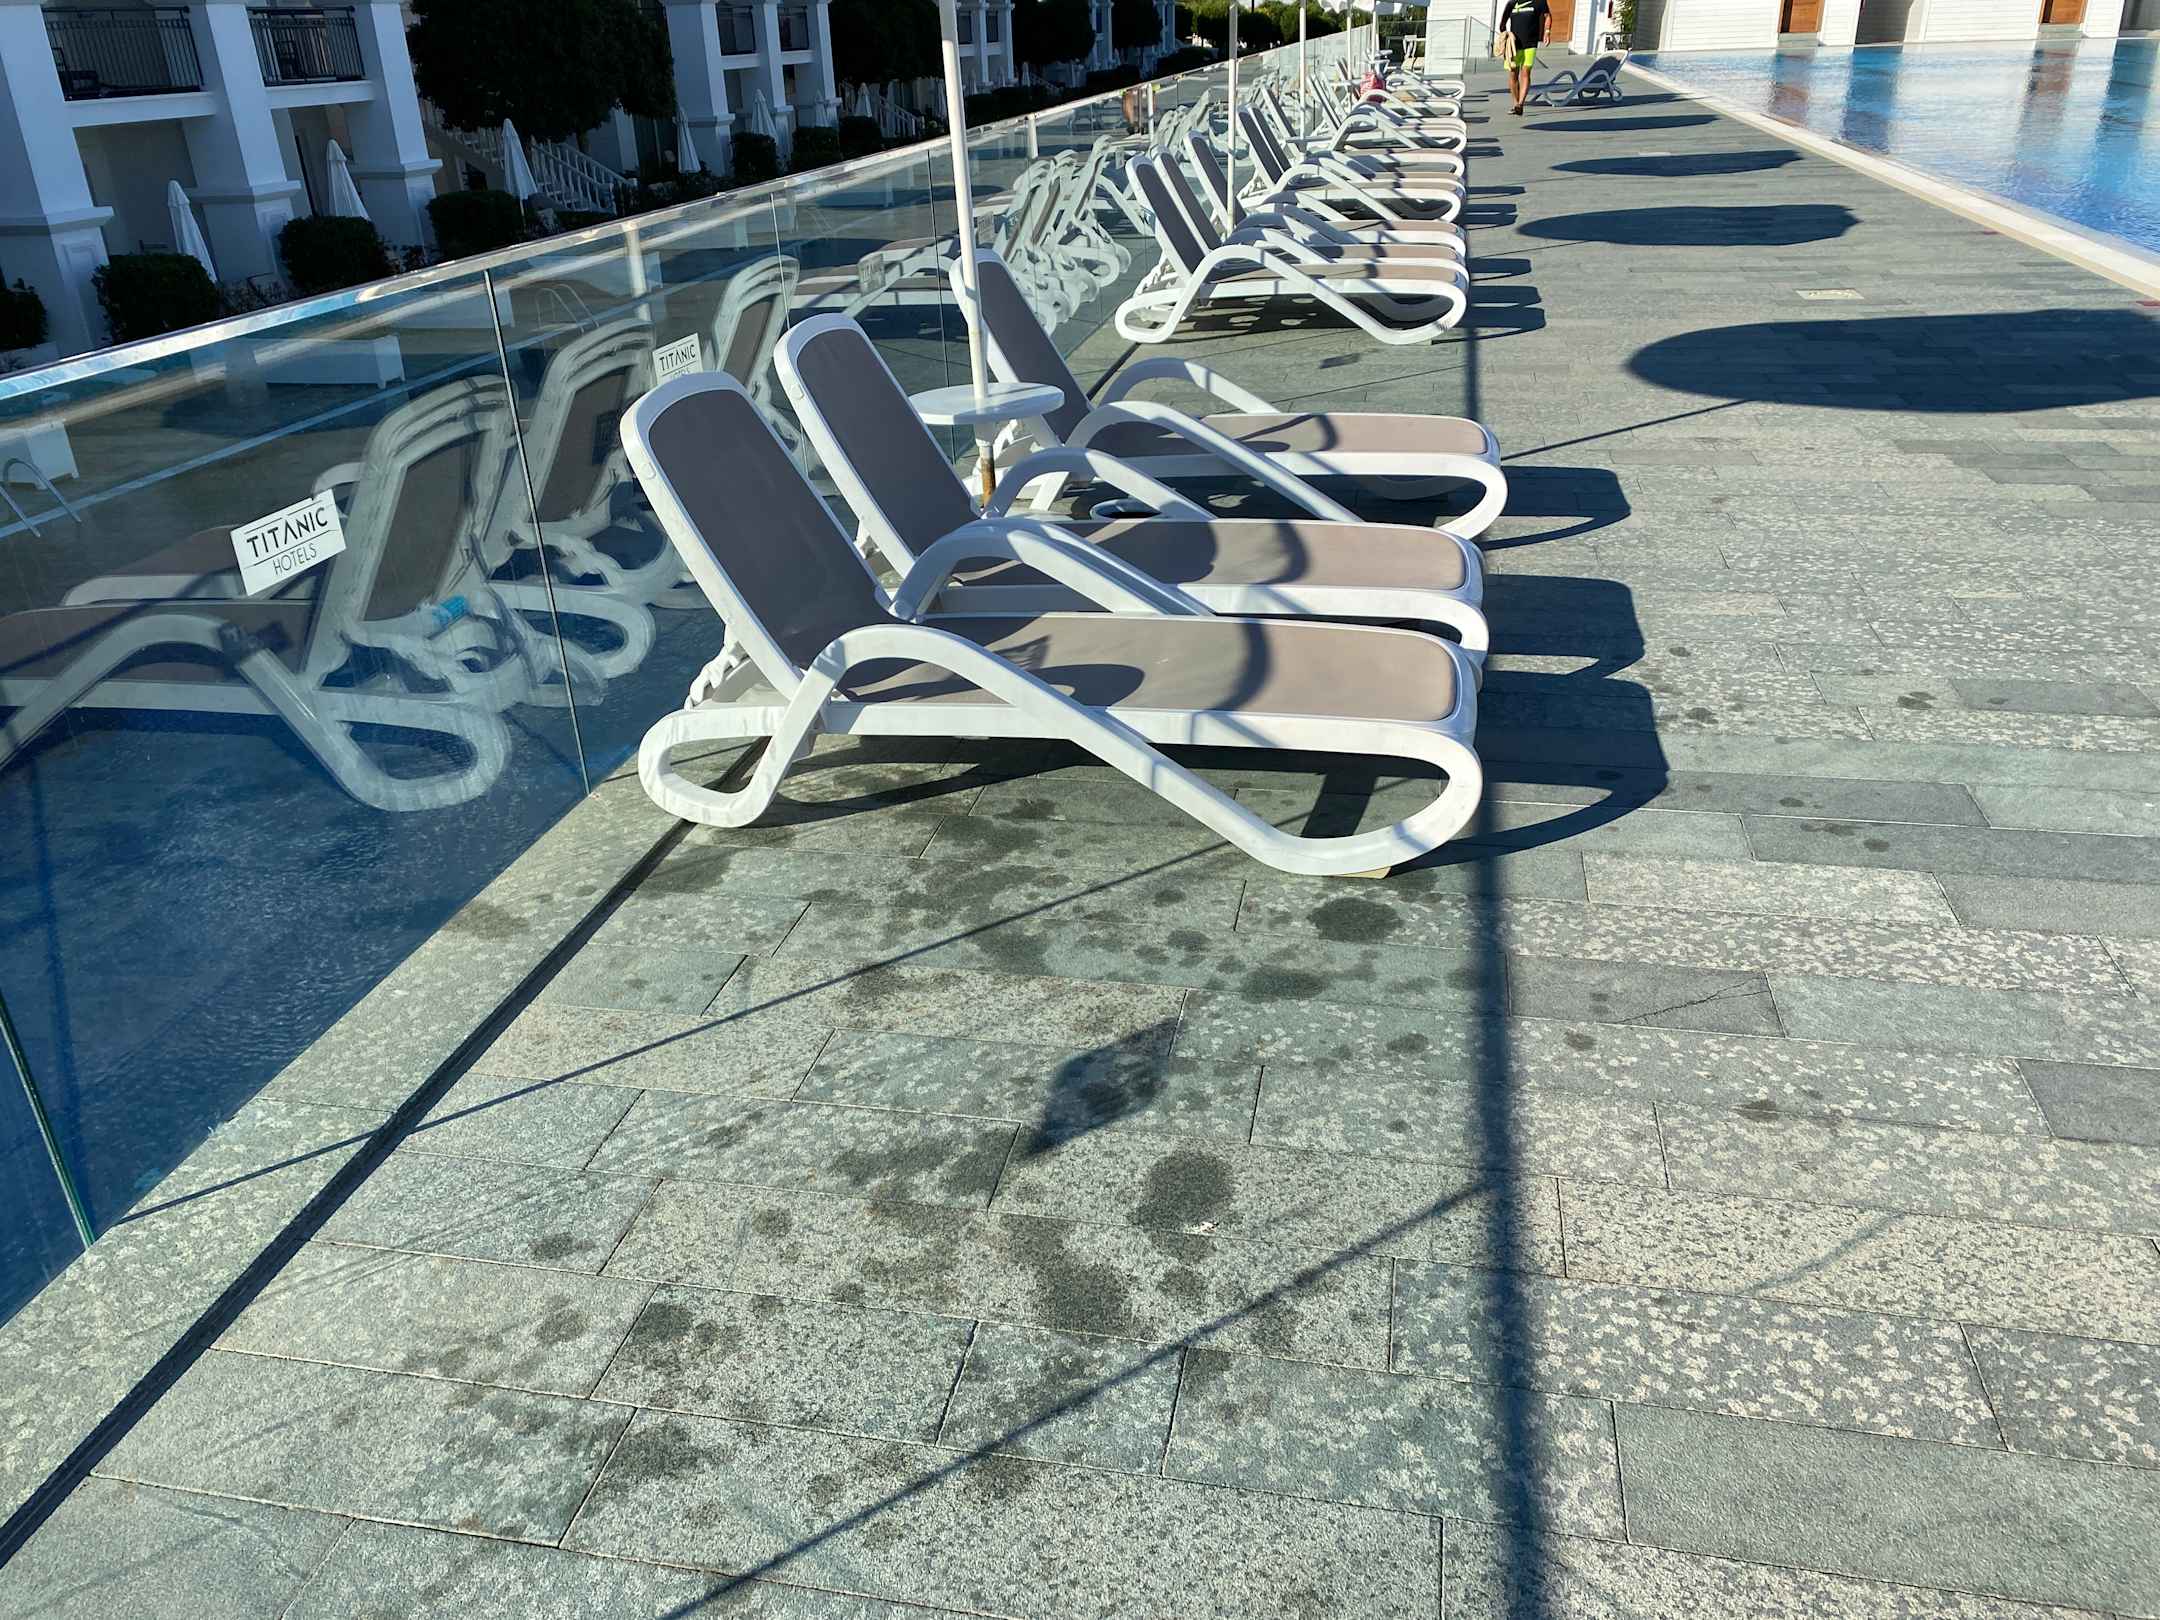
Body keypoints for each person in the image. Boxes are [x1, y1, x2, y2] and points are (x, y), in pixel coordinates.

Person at [1498, 0, 1551, 116]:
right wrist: (1504, 36)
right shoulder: (1512, 3)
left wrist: (1547, 32)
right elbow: (1503, 22)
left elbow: (1547, 16)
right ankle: (1515, 103)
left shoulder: (1539, 2)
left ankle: (1520, 104)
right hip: (1514, 45)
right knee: (1513, 73)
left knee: (1525, 72)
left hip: (1530, 44)